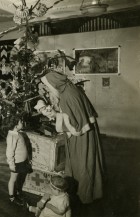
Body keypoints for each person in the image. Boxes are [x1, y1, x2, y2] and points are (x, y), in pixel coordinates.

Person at [40, 70, 104, 204]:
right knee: (85, 161)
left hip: (80, 138)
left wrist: (55, 116)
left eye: (47, 86)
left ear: (53, 84)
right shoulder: (71, 89)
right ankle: (87, 191)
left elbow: (75, 127)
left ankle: (83, 195)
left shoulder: (67, 96)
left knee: (82, 163)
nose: (47, 89)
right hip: (86, 135)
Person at [6, 116, 29, 206]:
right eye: (20, 122)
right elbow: (9, 151)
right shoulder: (12, 136)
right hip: (16, 162)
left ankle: (18, 192)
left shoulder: (17, 133)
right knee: (13, 179)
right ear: (16, 125)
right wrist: (11, 164)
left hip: (21, 161)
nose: (22, 123)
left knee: (19, 177)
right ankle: (12, 197)